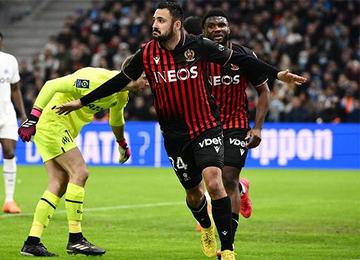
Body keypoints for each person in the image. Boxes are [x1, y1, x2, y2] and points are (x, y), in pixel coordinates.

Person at [53, 2, 306, 259]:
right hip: (174, 135)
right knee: (194, 195)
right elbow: (120, 80)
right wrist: (81, 102)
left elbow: (240, 58)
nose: (154, 24)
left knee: (216, 182)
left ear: (176, 24)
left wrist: (277, 74)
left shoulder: (199, 46)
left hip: (206, 126)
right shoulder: (147, 53)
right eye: (154, 19)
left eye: (161, 20)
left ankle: (228, 249)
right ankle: (206, 227)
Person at [17, 65, 147, 256]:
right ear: (132, 75)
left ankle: (32, 241)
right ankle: (76, 239)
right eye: (145, 77)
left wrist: (122, 144)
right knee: (80, 172)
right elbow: (52, 84)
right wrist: (33, 118)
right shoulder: (95, 80)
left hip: (60, 128)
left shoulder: (121, 94)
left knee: (58, 183)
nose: (147, 82)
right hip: (52, 123)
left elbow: (116, 119)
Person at [202, 8, 272, 254]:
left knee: (227, 179)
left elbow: (264, 91)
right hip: (205, 127)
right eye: (211, 26)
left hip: (235, 125)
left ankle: (228, 246)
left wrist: (258, 128)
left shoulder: (243, 55)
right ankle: (242, 190)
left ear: (229, 28)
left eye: (221, 25)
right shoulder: (197, 57)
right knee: (211, 182)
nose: (217, 29)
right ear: (204, 31)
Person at [0, 32, 27, 214]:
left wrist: (23, 114)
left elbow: (15, 89)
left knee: (9, 151)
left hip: (6, 113)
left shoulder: (9, 60)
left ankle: (9, 200)